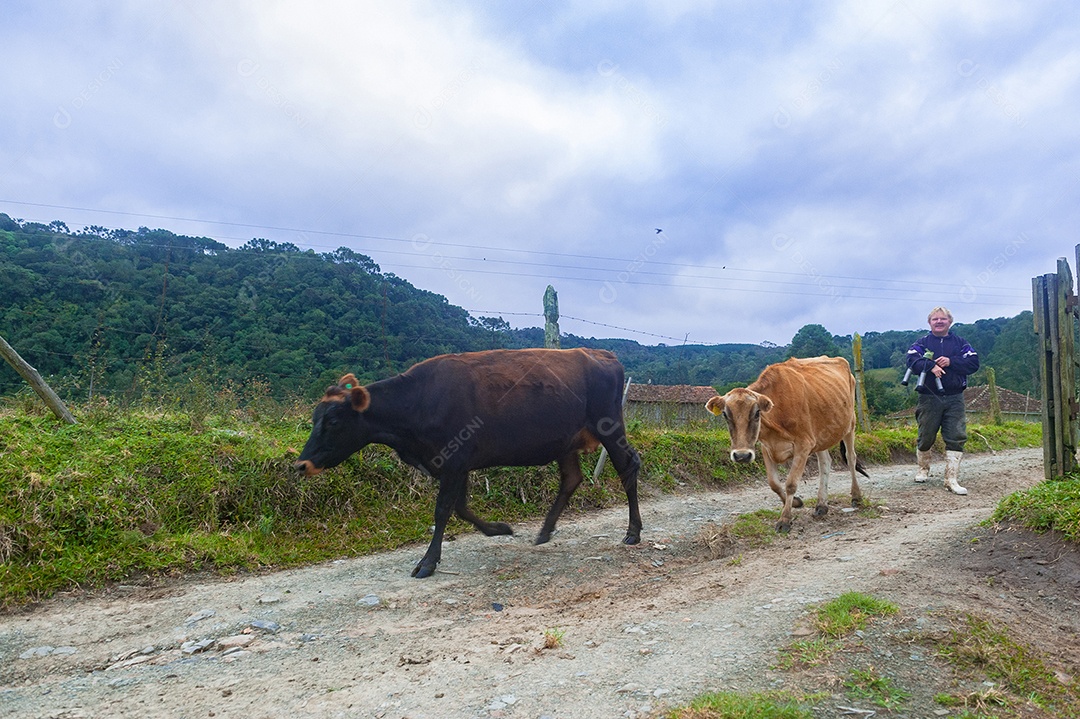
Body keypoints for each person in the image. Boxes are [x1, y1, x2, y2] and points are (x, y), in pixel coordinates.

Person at [906, 307, 980, 494]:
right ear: (929, 322)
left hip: (955, 397)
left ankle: (951, 479)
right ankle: (923, 468)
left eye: (943, 319)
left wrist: (951, 361)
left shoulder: (961, 343)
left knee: (956, 435)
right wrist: (930, 365)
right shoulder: (922, 343)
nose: (939, 322)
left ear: (950, 322)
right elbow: (911, 360)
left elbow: (974, 363)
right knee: (926, 435)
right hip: (928, 397)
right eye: (935, 319)